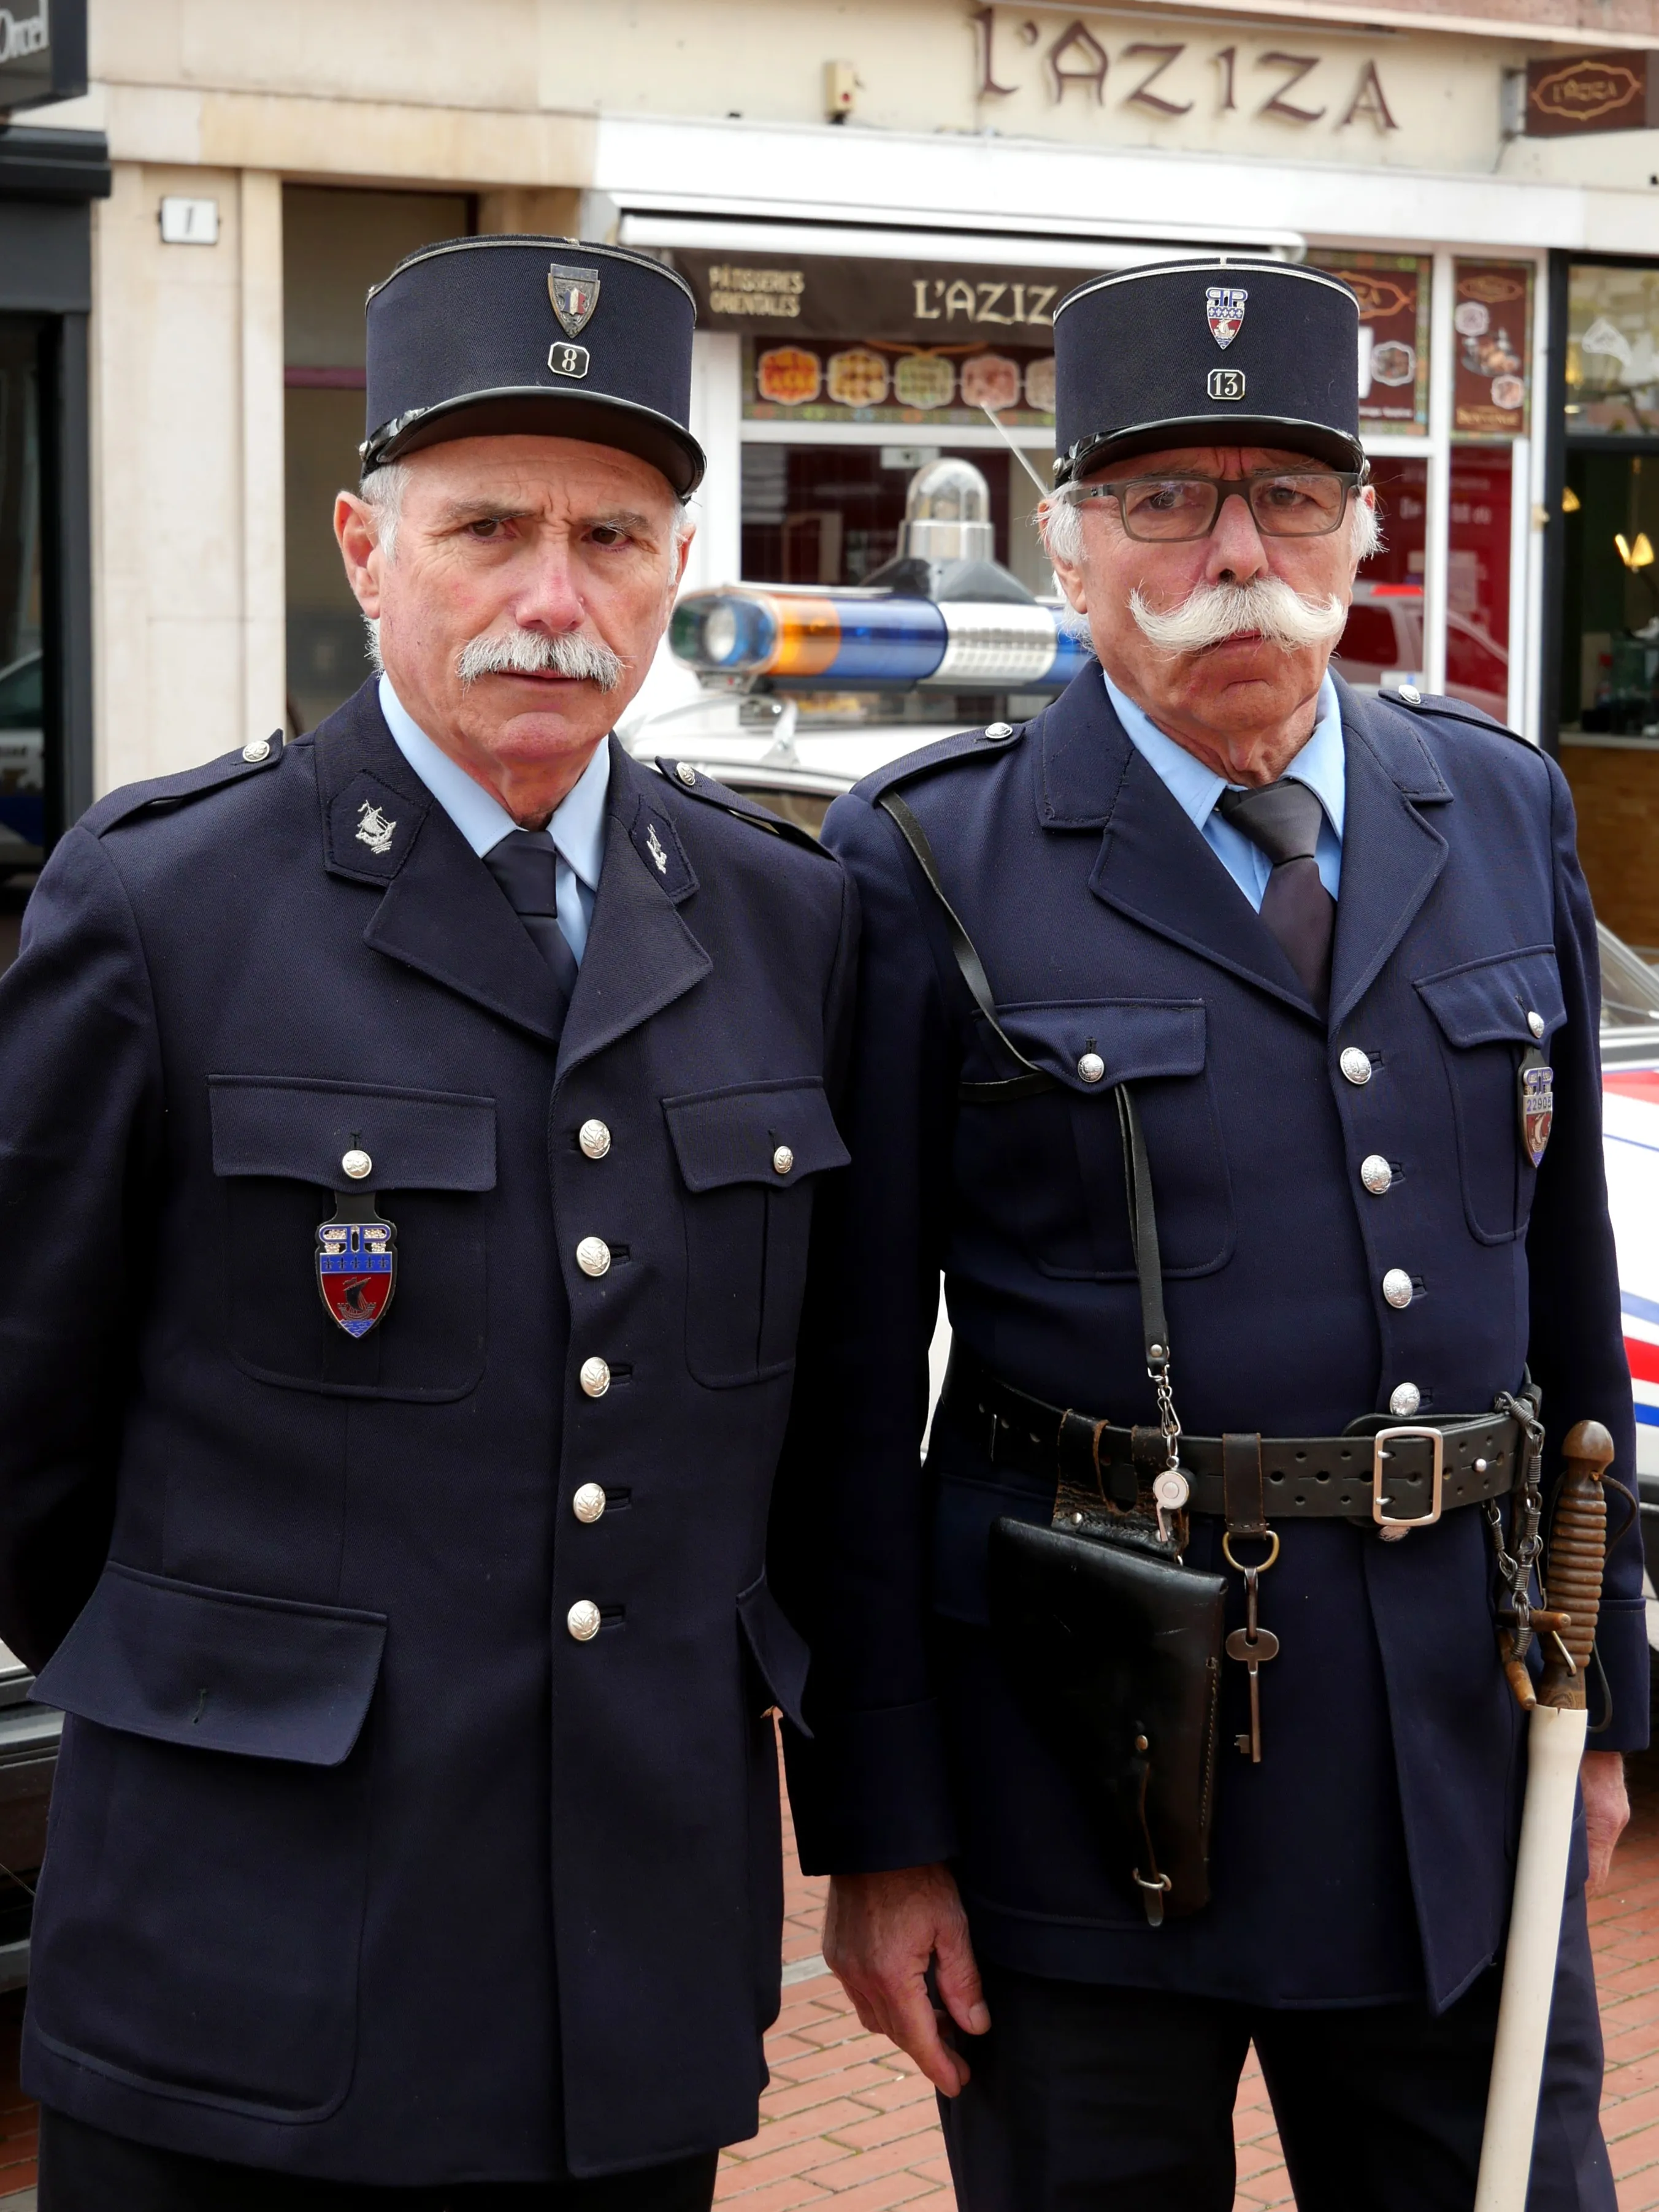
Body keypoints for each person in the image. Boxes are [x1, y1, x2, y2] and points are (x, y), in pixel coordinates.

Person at [776, 257, 1640, 2210]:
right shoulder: (927, 863)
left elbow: (1570, 1307)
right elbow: (849, 1401)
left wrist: (1609, 1710)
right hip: (1076, 1777)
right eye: (1168, 498)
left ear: (1365, 522)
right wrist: (882, 1833)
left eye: (1290, 493)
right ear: (1074, 540)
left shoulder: (1497, 810)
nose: (1236, 550)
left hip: (1448, 1750)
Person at [0, 235, 854, 2208]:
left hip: (624, 1981)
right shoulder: (163, 908)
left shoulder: (785, 919)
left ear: (671, 573)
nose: (554, 601)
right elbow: (26, 1448)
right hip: (246, 1974)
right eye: (488, 528)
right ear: (366, 548)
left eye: (615, 537)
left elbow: (800, 1447)